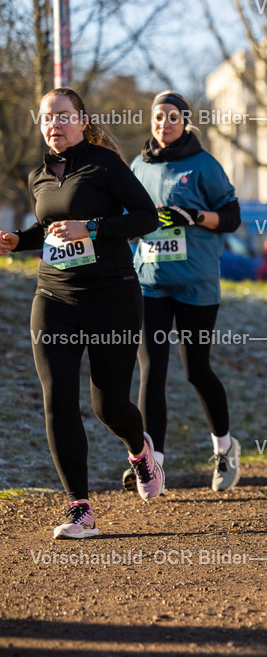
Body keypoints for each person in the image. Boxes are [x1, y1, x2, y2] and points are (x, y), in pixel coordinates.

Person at [0, 87, 163, 539]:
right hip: (53, 299)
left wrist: (91, 227)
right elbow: (50, 228)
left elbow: (147, 217)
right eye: (47, 117)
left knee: (108, 404)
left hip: (112, 298)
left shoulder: (105, 164)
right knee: (57, 399)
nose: (54, 124)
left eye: (63, 116)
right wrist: (20, 239)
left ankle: (139, 449)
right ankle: (79, 508)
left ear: (81, 120)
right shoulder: (38, 174)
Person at [128, 91, 243, 492]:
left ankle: (226, 449)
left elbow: (232, 217)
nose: (164, 124)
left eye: (172, 117)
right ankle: (152, 462)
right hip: (150, 285)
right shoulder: (137, 166)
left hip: (196, 286)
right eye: (158, 116)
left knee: (196, 371)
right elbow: (125, 222)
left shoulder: (203, 165)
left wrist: (197, 216)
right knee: (151, 370)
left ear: (185, 122)